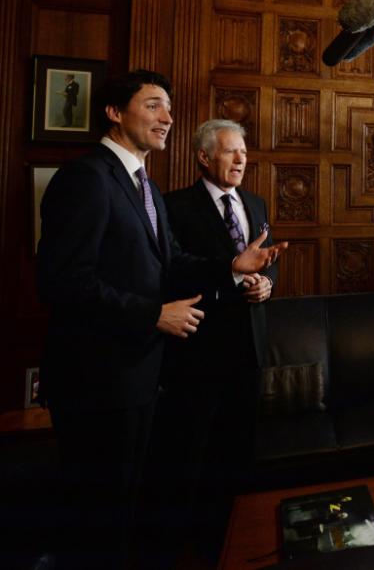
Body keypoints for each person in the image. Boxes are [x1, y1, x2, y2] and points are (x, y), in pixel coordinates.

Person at [36, 70, 286, 569]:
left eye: (167, 108)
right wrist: (154, 314)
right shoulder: (86, 178)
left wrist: (233, 268)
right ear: (114, 112)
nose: (168, 118)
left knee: (123, 517)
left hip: (139, 378)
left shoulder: (142, 185)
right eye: (153, 106)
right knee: (95, 525)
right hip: (97, 383)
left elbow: (171, 263)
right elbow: (62, 284)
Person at [142, 119, 276, 565]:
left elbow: (265, 263)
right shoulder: (173, 206)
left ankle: (230, 542)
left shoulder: (255, 203)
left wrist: (265, 285)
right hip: (197, 353)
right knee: (187, 459)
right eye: (230, 152)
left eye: (244, 151)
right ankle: (180, 552)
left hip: (248, 351)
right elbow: (176, 271)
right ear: (203, 157)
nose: (241, 159)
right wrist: (234, 271)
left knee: (237, 457)